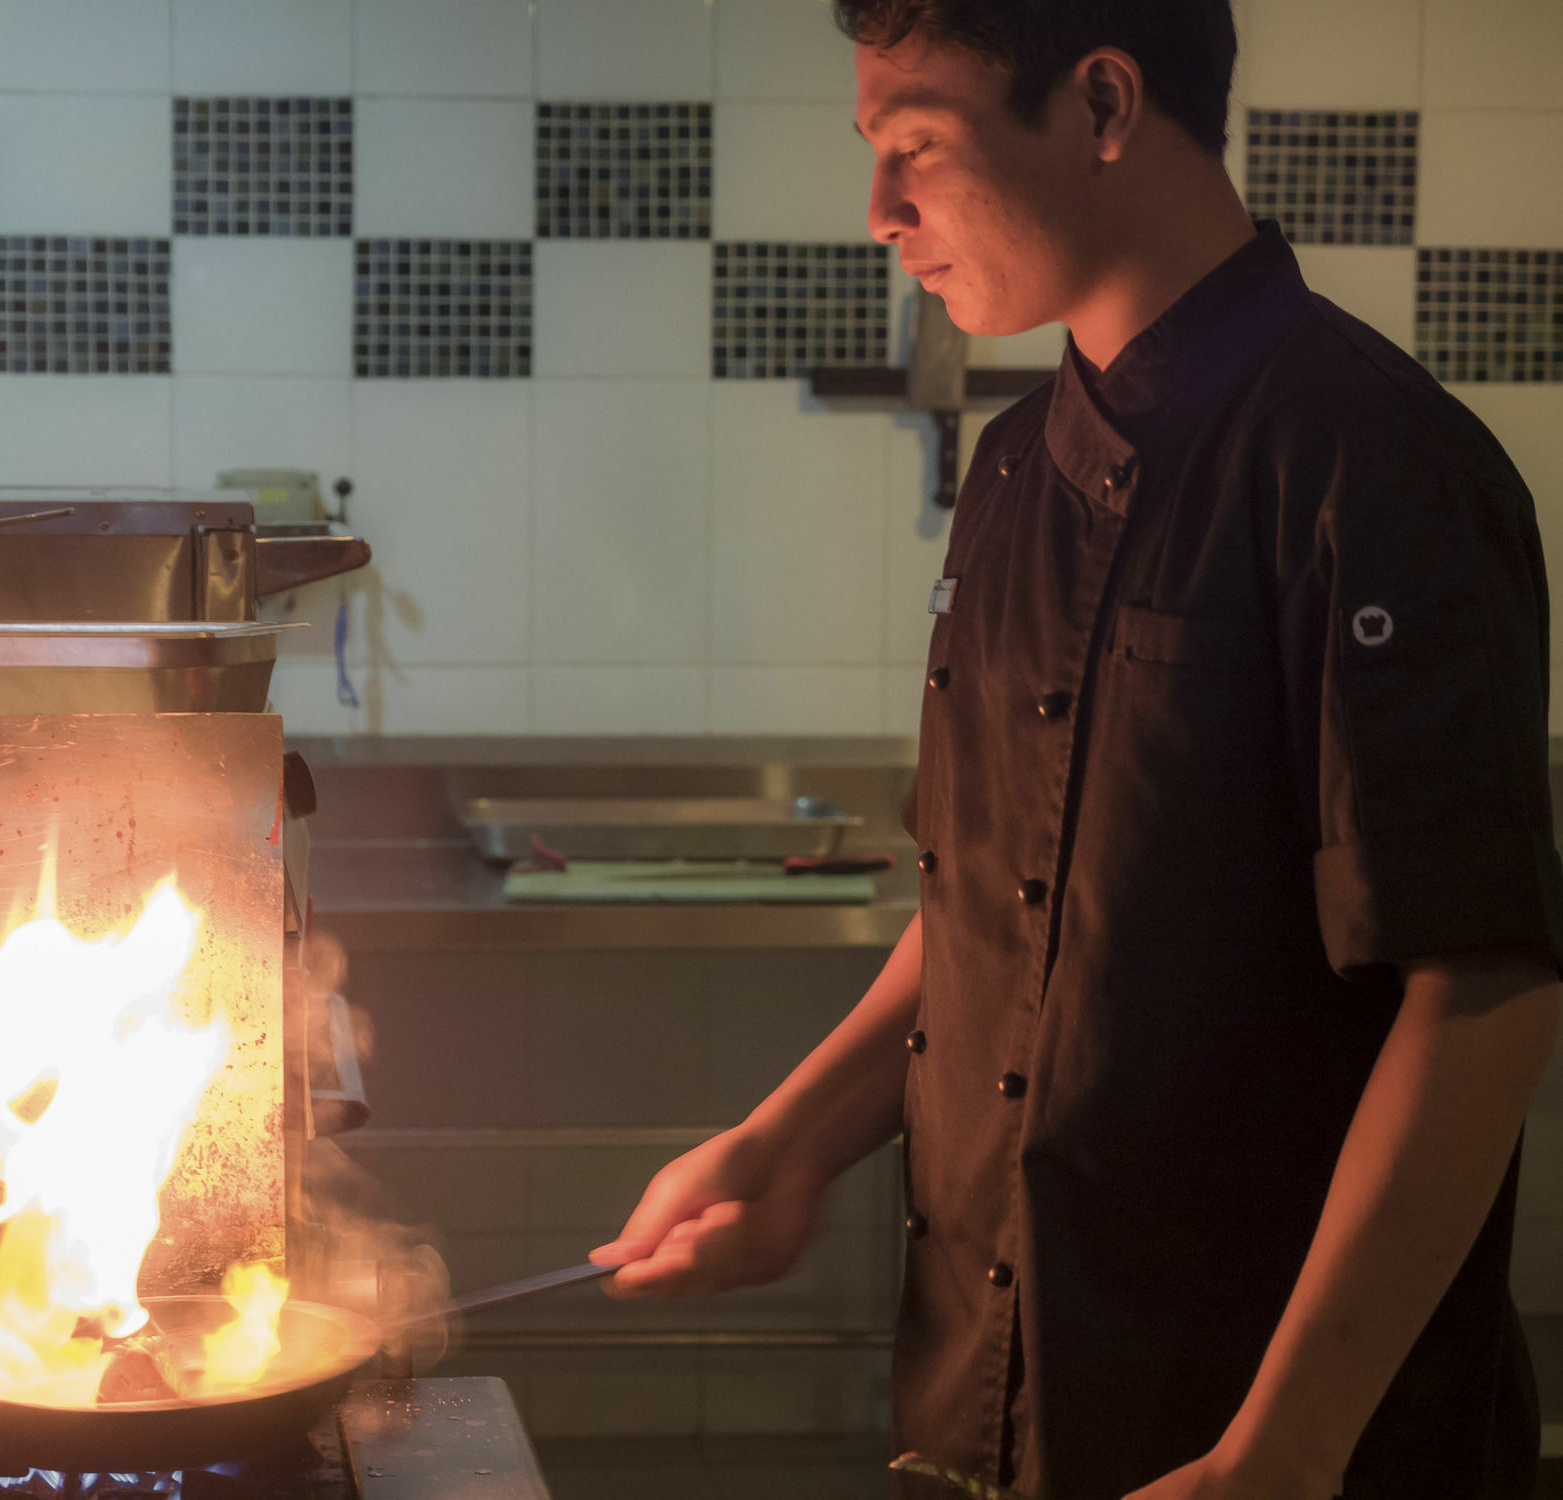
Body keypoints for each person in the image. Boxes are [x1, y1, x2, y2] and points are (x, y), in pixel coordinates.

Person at [589, 3, 1563, 1496]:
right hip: (988, 1417)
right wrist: (786, 1144)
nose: (880, 215)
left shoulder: (1376, 469)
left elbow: (1480, 994)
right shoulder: (1013, 470)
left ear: (1103, 104)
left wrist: (1285, 1447)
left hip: (1274, 1442)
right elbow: (992, 903)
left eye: (916, 146)